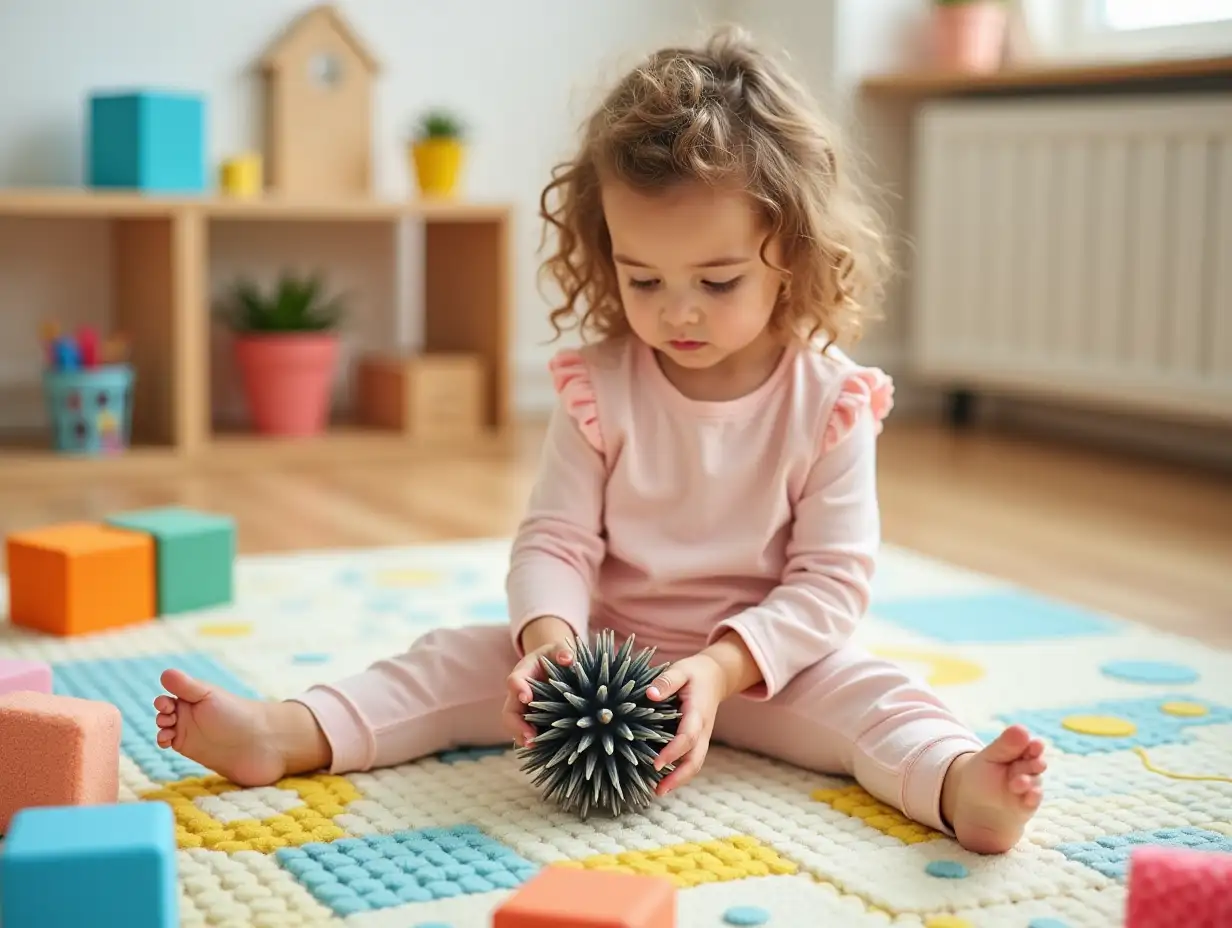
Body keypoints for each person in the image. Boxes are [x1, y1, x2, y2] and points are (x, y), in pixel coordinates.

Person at [153, 25, 1045, 855]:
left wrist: (723, 668)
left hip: (765, 666)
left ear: (795, 253)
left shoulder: (833, 398)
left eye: (719, 279)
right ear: (603, 247)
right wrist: (548, 642)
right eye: (643, 276)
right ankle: (285, 732)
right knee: (445, 664)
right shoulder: (601, 383)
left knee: (882, 699)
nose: (677, 310)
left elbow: (831, 582)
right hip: (602, 653)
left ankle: (961, 784)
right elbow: (556, 539)